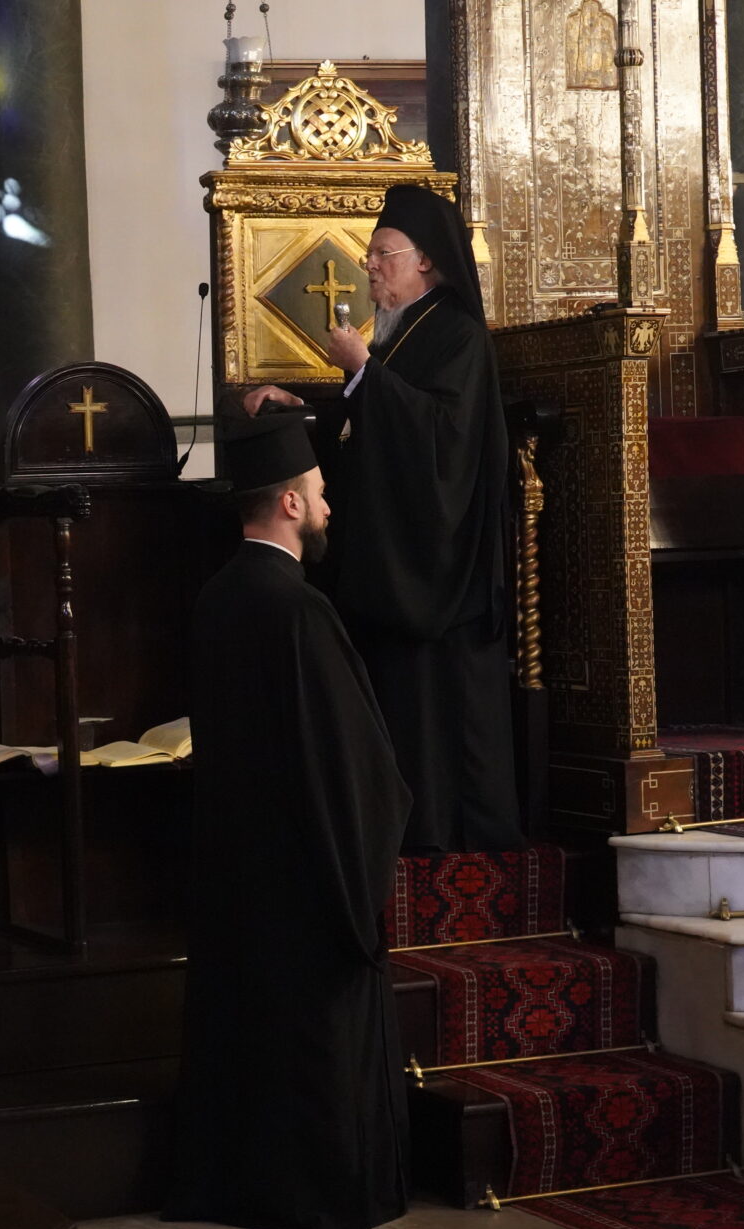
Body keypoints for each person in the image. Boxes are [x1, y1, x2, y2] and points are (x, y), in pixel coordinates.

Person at [165, 413, 411, 1229]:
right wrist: (371, 846)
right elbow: (348, 764)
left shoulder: (217, 600)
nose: (331, 506)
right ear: (291, 504)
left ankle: (244, 1189)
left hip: (237, 873)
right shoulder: (298, 610)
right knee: (310, 1043)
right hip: (306, 880)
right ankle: (322, 1195)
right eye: (321, 491)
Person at [237, 183, 523, 852]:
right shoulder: (402, 332)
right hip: (395, 562)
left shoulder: (457, 333)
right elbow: (368, 418)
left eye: (382, 255)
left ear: (426, 261)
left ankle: (449, 840)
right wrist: (303, 404)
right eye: (370, 255)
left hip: (438, 572)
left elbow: (442, 438)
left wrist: (363, 369)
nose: (369, 266)